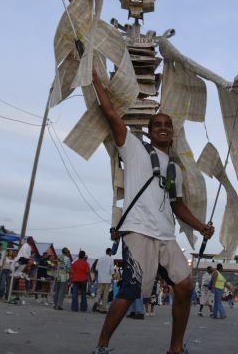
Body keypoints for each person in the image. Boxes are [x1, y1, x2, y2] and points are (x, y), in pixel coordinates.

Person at [92, 69, 215, 354]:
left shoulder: (175, 170)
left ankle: (175, 349)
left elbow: (177, 205)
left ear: (172, 133)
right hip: (137, 230)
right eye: (157, 124)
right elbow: (110, 112)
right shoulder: (133, 148)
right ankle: (101, 346)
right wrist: (95, 78)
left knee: (184, 286)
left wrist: (200, 227)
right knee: (131, 290)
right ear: (149, 131)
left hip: (165, 234)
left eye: (167, 125)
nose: (162, 127)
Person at [93, 248, 114, 313]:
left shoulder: (100, 258)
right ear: (110, 252)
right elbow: (112, 270)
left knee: (99, 292)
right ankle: (103, 309)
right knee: (105, 294)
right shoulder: (111, 259)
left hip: (100, 279)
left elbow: (96, 268)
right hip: (107, 279)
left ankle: (96, 302)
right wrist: (112, 278)